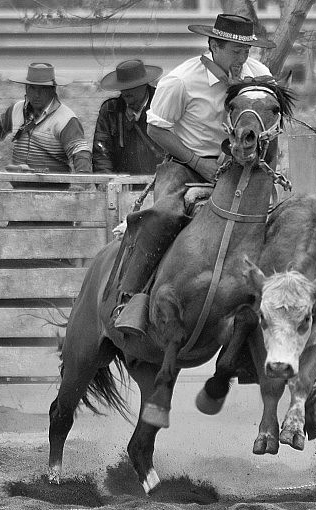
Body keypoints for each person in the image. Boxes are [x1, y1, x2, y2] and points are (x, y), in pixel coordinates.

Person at [112, 13, 275, 335]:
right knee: (163, 215)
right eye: (235, 51)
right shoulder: (181, 80)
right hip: (187, 164)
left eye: (247, 51)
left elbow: (270, 117)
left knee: (278, 218)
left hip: (245, 165)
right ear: (213, 45)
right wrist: (199, 164)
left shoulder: (260, 75)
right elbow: (157, 128)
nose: (242, 59)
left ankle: (275, 306)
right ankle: (131, 298)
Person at [0, 63, 91, 185]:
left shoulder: (66, 119)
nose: (37, 95)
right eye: (32, 88)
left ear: (53, 90)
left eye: (43, 89)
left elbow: (80, 153)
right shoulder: (17, 109)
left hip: (55, 194)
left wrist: (81, 185)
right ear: (26, 88)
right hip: (17, 193)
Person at [93, 59, 165, 175]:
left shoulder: (162, 106)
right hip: (120, 185)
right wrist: (107, 185)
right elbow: (101, 154)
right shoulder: (109, 110)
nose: (126, 92)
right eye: (123, 88)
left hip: (159, 182)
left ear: (144, 85)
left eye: (132, 87)